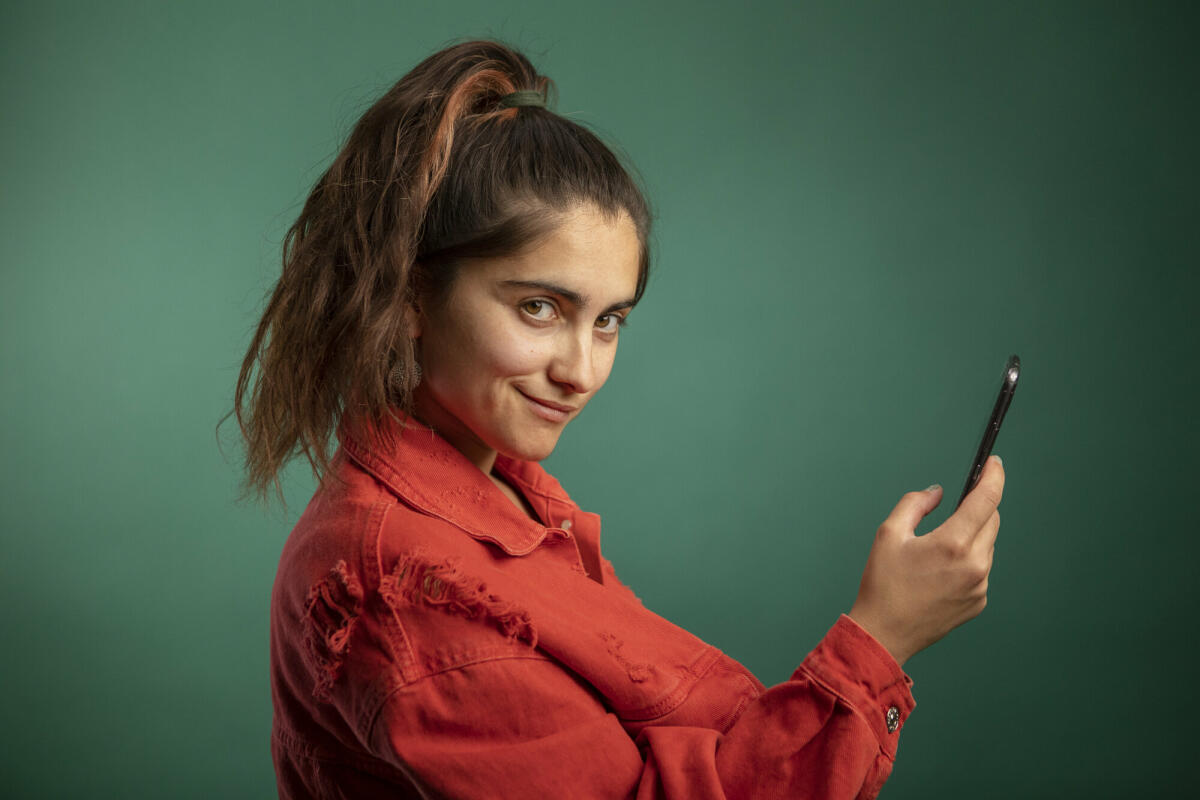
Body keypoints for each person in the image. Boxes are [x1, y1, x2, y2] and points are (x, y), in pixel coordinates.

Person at [228, 38, 1005, 799]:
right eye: (539, 308)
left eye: (609, 322)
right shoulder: (406, 586)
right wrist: (881, 639)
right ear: (411, 300)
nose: (582, 370)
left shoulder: (507, 497)